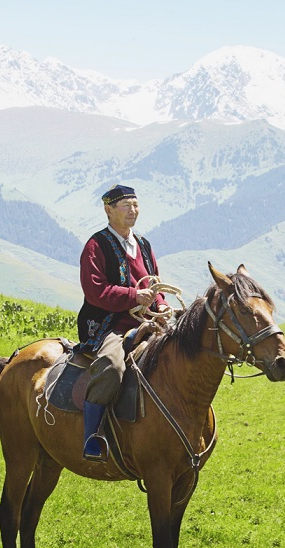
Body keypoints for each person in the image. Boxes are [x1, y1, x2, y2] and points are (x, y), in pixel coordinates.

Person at [76, 184, 167, 462]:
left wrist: (161, 303)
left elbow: (154, 281)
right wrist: (133, 296)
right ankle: (92, 436)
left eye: (136, 205)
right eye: (126, 206)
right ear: (108, 210)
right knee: (113, 367)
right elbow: (95, 291)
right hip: (109, 325)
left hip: (147, 320)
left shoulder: (144, 244)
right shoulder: (96, 246)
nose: (133, 211)